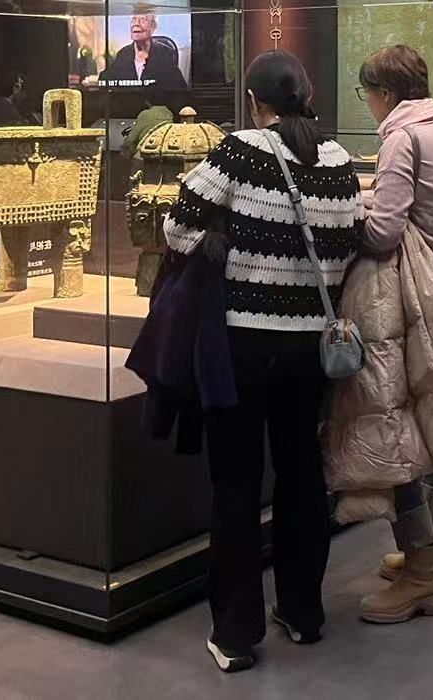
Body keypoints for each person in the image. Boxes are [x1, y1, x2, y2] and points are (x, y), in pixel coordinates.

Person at [162, 50, 362, 674]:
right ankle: (303, 612)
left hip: (241, 347)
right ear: (306, 95)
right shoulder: (339, 159)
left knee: (237, 485)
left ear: (254, 101)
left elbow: (176, 228)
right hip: (311, 351)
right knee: (302, 476)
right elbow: (350, 242)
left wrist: (223, 245)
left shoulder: (239, 152)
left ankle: (235, 633)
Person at [355, 43, 433, 622]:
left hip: (429, 309)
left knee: (406, 434)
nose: (367, 104)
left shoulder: (401, 139)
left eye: (366, 94)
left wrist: (350, 217)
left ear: (384, 93)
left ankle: (423, 574)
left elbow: (384, 233)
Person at [102, 6, 187, 103]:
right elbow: (107, 79)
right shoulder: (123, 54)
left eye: (143, 19)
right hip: (128, 109)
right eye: (134, 19)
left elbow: (179, 91)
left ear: (153, 27)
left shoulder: (165, 53)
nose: (136, 24)